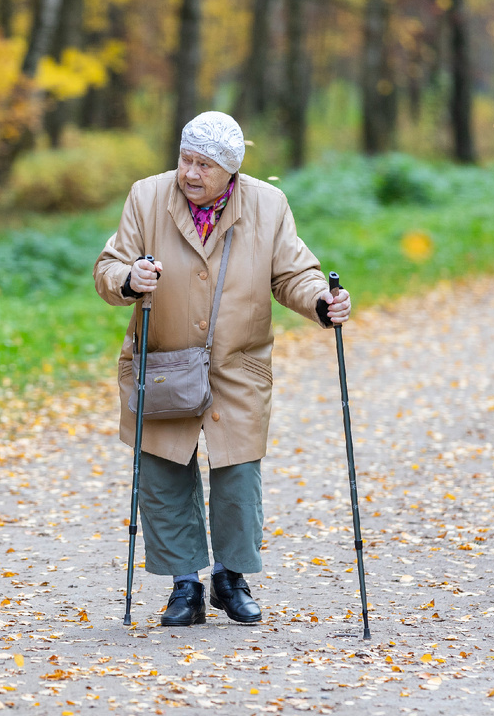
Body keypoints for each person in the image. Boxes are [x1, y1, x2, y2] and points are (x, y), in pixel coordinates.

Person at [93, 111, 351, 627]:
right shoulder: (147, 197)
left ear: (230, 172)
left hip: (238, 362)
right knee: (163, 472)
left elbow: (294, 273)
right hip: (163, 358)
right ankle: (184, 584)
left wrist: (321, 301)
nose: (190, 172)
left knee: (238, 474)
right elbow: (107, 269)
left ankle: (229, 577)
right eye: (186, 159)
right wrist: (130, 278)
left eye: (204, 165)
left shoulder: (268, 204)